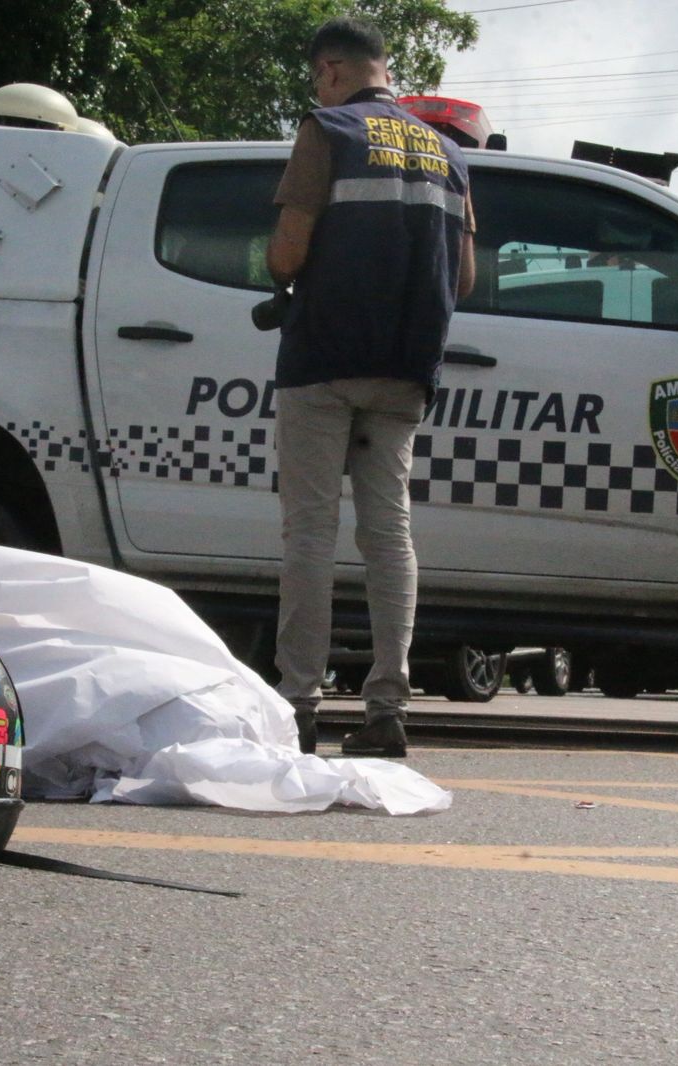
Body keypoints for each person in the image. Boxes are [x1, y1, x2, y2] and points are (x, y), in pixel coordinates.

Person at [266, 18, 475, 757]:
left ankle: (299, 705)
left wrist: (278, 267)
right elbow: (464, 277)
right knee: (389, 534)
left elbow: (288, 253)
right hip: (406, 369)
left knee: (310, 534)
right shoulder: (449, 153)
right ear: (383, 68)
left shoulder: (326, 130)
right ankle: (388, 709)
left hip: (323, 361)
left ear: (330, 70)